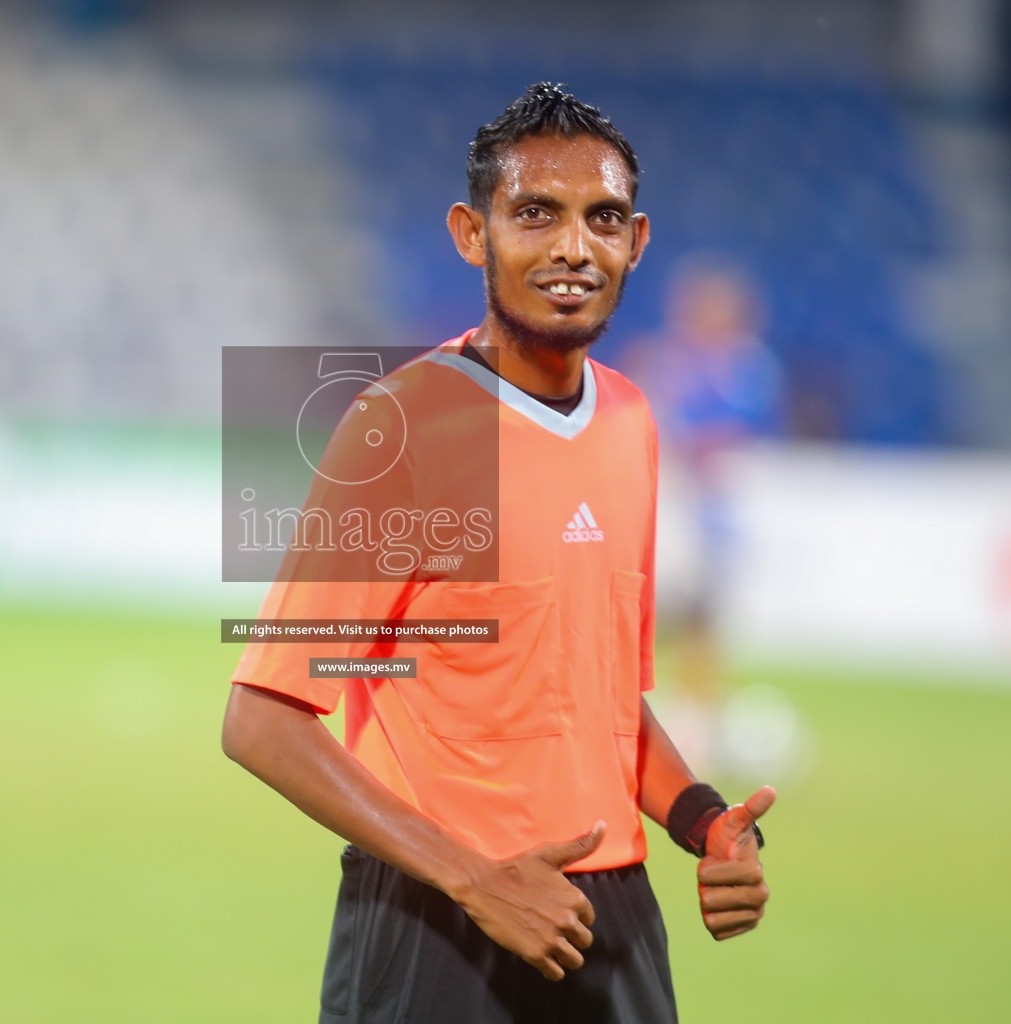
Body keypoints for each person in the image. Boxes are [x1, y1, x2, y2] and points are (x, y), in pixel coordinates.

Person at [222, 84, 773, 1023]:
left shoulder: (633, 422)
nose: (571, 248)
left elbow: (602, 702)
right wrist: (476, 881)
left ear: (634, 242)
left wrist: (702, 818)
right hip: (437, 919)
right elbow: (262, 719)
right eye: (534, 215)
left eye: (601, 219)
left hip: (613, 925)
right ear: (472, 234)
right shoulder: (402, 425)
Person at [620, 257, 785, 777]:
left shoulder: (750, 369)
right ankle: (631, 716)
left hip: (717, 517)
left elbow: (744, 439)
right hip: (670, 513)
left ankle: (695, 728)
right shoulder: (667, 362)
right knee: (650, 617)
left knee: (705, 626)